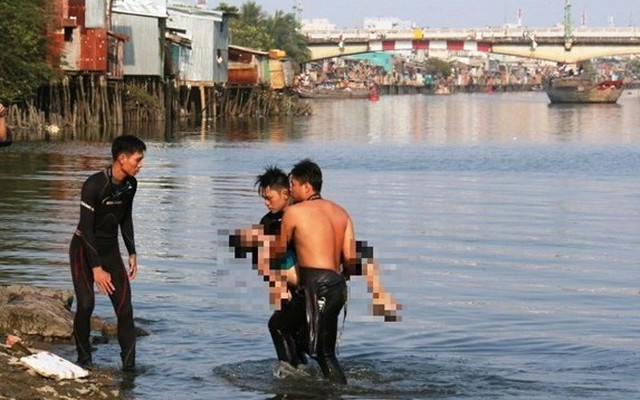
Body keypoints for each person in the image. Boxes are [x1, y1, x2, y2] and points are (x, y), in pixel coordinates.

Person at [269, 158, 400, 384]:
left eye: (293, 184)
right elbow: (349, 259)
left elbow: (279, 253)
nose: (290, 190)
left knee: (322, 352)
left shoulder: (295, 213)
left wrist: (280, 284)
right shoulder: (342, 212)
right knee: (282, 326)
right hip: (336, 287)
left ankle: (325, 388)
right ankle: (297, 377)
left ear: (307, 186)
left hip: (315, 287)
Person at [69, 135, 146, 371]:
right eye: (138, 160)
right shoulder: (93, 185)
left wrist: (132, 252)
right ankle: (84, 360)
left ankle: (130, 369)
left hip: (110, 251)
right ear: (121, 159)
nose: (141, 165)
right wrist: (96, 269)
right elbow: (87, 229)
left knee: (125, 309)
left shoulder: (130, 185)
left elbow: (126, 218)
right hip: (84, 249)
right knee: (86, 304)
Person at [230, 166, 308, 372]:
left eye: (269, 198)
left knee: (291, 334)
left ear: (285, 193)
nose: (266, 202)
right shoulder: (269, 221)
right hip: (289, 284)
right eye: (263, 198)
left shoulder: (303, 212)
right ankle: (298, 372)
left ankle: (295, 374)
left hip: (308, 279)